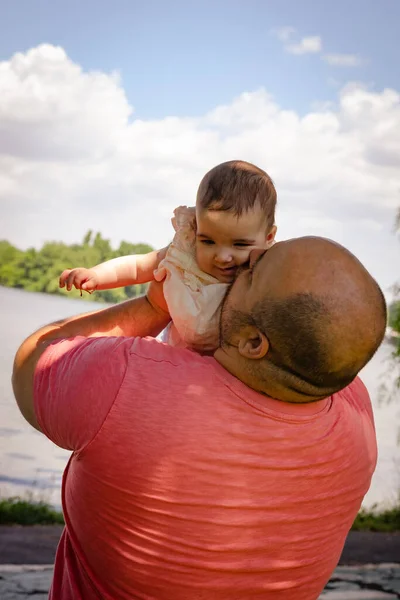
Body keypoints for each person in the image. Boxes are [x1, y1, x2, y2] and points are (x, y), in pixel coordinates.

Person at [12, 237, 386, 600]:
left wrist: (159, 303)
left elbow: (32, 360)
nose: (248, 257)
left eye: (255, 272)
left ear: (254, 343)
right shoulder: (359, 422)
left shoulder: (130, 381)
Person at [59, 160, 277, 351]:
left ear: (269, 237)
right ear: (197, 228)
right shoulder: (185, 254)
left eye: (240, 244)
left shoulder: (272, 271)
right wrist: (96, 276)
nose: (222, 256)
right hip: (176, 359)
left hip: (233, 372)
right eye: (208, 241)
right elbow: (138, 266)